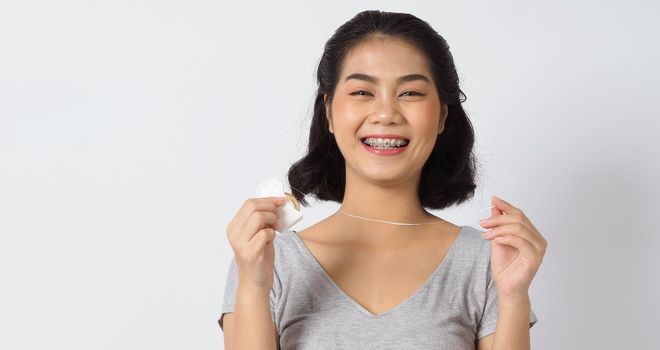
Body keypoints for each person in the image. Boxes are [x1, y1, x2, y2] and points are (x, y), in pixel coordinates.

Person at [218, 10, 548, 350]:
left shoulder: (486, 261)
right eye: (362, 92)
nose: (386, 113)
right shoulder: (270, 260)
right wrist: (254, 287)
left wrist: (513, 298)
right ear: (329, 112)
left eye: (410, 93)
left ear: (442, 116)